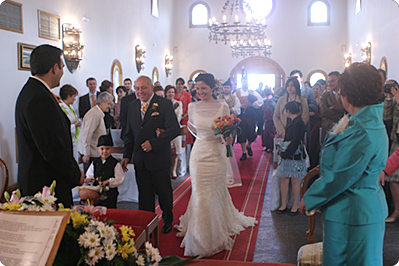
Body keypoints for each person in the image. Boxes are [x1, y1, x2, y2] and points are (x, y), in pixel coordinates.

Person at [300, 63, 388, 266]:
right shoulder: (365, 121)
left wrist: (310, 198)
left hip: (352, 211)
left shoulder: (362, 129)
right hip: (355, 209)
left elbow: (341, 176)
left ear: (348, 93)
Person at [175, 73, 256, 257]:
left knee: (213, 191)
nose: (200, 91)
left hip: (216, 154)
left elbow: (228, 132)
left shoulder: (223, 106)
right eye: (198, 88)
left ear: (212, 88)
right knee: (200, 193)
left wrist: (229, 139)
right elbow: (191, 129)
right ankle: (200, 234)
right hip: (199, 154)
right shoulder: (192, 106)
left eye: (204, 88)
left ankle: (214, 231)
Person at [15, 44, 82, 208]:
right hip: (44, 187)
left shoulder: (32, 91)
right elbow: (52, 148)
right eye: (62, 67)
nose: (62, 72)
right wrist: (76, 174)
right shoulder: (40, 98)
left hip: (40, 181)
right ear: (54, 68)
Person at [121, 76, 180, 234]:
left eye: (143, 88)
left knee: (164, 193)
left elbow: (174, 129)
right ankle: (147, 222)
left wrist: (154, 143)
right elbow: (128, 133)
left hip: (159, 158)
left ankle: (167, 218)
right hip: (141, 159)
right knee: (144, 195)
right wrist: (126, 155)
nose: (140, 92)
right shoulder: (132, 106)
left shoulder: (164, 104)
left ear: (152, 87)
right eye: (137, 88)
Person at [275, 101, 306, 215]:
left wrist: (286, 153)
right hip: (288, 153)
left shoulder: (298, 122)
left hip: (294, 154)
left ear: (288, 111)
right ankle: (283, 205)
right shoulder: (292, 120)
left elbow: (296, 141)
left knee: (294, 179)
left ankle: (294, 206)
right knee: (284, 179)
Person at [84, 134, 125, 208]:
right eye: (102, 149)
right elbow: (90, 175)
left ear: (112, 149)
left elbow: (119, 178)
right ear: (98, 149)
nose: (104, 151)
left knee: (110, 213)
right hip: (96, 195)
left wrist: (108, 182)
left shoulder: (115, 164)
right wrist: (89, 179)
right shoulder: (94, 163)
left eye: (107, 148)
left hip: (110, 195)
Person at [78, 92, 113, 173]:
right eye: (108, 104)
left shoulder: (98, 112)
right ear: (101, 102)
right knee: (91, 180)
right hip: (91, 155)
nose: (110, 106)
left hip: (94, 153)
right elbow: (87, 135)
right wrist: (86, 154)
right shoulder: (94, 114)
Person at [381, 80, 399, 221]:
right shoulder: (393, 100)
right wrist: (389, 98)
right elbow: (386, 116)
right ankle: (396, 210)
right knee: (392, 178)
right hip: (396, 141)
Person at [234, 76, 263, 160]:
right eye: (243, 82)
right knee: (241, 134)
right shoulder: (237, 93)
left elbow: (260, 100)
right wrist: (240, 106)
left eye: (246, 82)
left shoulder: (252, 92)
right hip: (241, 116)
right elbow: (234, 103)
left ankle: (249, 145)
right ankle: (243, 153)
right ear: (241, 83)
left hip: (251, 116)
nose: (245, 83)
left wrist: (252, 104)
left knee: (252, 134)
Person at [175, 77, 193, 175]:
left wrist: (183, 116)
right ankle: (179, 166)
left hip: (185, 119)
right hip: (175, 119)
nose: (180, 86)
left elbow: (190, 107)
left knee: (186, 143)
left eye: (181, 84)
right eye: (178, 84)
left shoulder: (187, 95)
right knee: (178, 143)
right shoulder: (173, 94)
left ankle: (188, 164)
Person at [320, 71, 345, 142]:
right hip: (328, 128)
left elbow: (347, 110)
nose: (330, 84)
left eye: (332, 81)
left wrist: (333, 107)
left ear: (339, 80)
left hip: (343, 129)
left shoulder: (346, 94)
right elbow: (324, 112)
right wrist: (341, 114)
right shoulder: (324, 96)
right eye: (328, 81)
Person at [59, 84, 81, 162]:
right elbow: (61, 125)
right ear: (68, 96)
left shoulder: (70, 107)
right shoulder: (60, 107)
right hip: (67, 140)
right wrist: (75, 125)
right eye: (73, 96)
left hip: (74, 139)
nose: (74, 99)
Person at [165, 85, 183, 179]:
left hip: (176, 129)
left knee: (175, 152)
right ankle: (167, 170)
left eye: (172, 92)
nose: (171, 94)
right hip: (165, 129)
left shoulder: (178, 103)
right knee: (166, 150)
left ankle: (173, 171)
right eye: (169, 92)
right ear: (166, 93)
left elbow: (179, 117)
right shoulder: (163, 103)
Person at [309, 82, 322, 169]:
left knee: (317, 144)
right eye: (314, 89)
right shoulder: (311, 100)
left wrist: (315, 114)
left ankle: (316, 163)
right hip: (310, 123)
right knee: (310, 144)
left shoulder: (322, 100)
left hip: (318, 124)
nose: (315, 91)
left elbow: (323, 113)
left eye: (317, 89)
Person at [262, 88, 275, 153]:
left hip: (269, 118)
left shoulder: (268, 99)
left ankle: (270, 147)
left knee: (269, 133)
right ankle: (268, 146)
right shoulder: (271, 97)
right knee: (267, 132)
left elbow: (268, 109)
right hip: (270, 118)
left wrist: (265, 118)